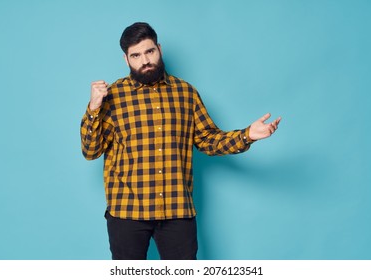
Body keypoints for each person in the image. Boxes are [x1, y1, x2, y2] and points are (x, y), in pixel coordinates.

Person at [80, 22, 281, 260]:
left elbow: (209, 139)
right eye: (136, 55)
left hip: (176, 209)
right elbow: (91, 151)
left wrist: (247, 134)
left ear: (159, 49)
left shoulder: (186, 93)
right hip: (127, 212)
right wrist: (94, 108)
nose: (144, 60)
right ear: (126, 60)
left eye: (149, 51)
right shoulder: (112, 96)